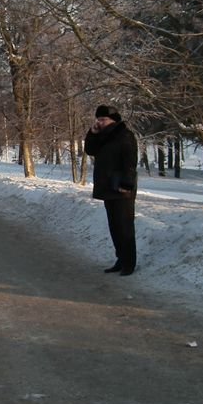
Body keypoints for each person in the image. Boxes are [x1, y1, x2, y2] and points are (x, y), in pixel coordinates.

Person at [84, 105, 138, 276]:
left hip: (122, 188)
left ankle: (129, 263)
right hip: (108, 186)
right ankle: (120, 260)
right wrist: (92, 133)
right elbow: (89, 150)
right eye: (98, 119)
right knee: (114, 226)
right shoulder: (102, 136)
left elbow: (130, 162)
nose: (100, 122)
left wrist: (127, 184)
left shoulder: (124, 135)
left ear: (113, 120)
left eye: (103, 119)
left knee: (125, 227)